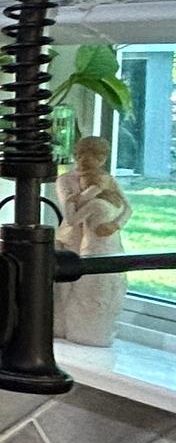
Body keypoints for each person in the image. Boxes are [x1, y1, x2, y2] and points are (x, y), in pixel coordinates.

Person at [56, 135, 131, 346]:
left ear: (103, 159)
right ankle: (64, 326)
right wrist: (92, 191)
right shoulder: (66, 180)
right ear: (76, 156)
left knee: (102, 284)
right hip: (73, 239)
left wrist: (115, 224)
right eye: (82, 155)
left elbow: (127, 207)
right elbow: (70, 211)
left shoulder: (107, 179)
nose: (87, 160)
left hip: (101, 238)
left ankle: (93, 329)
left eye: (96, 156)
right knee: (69, 285)